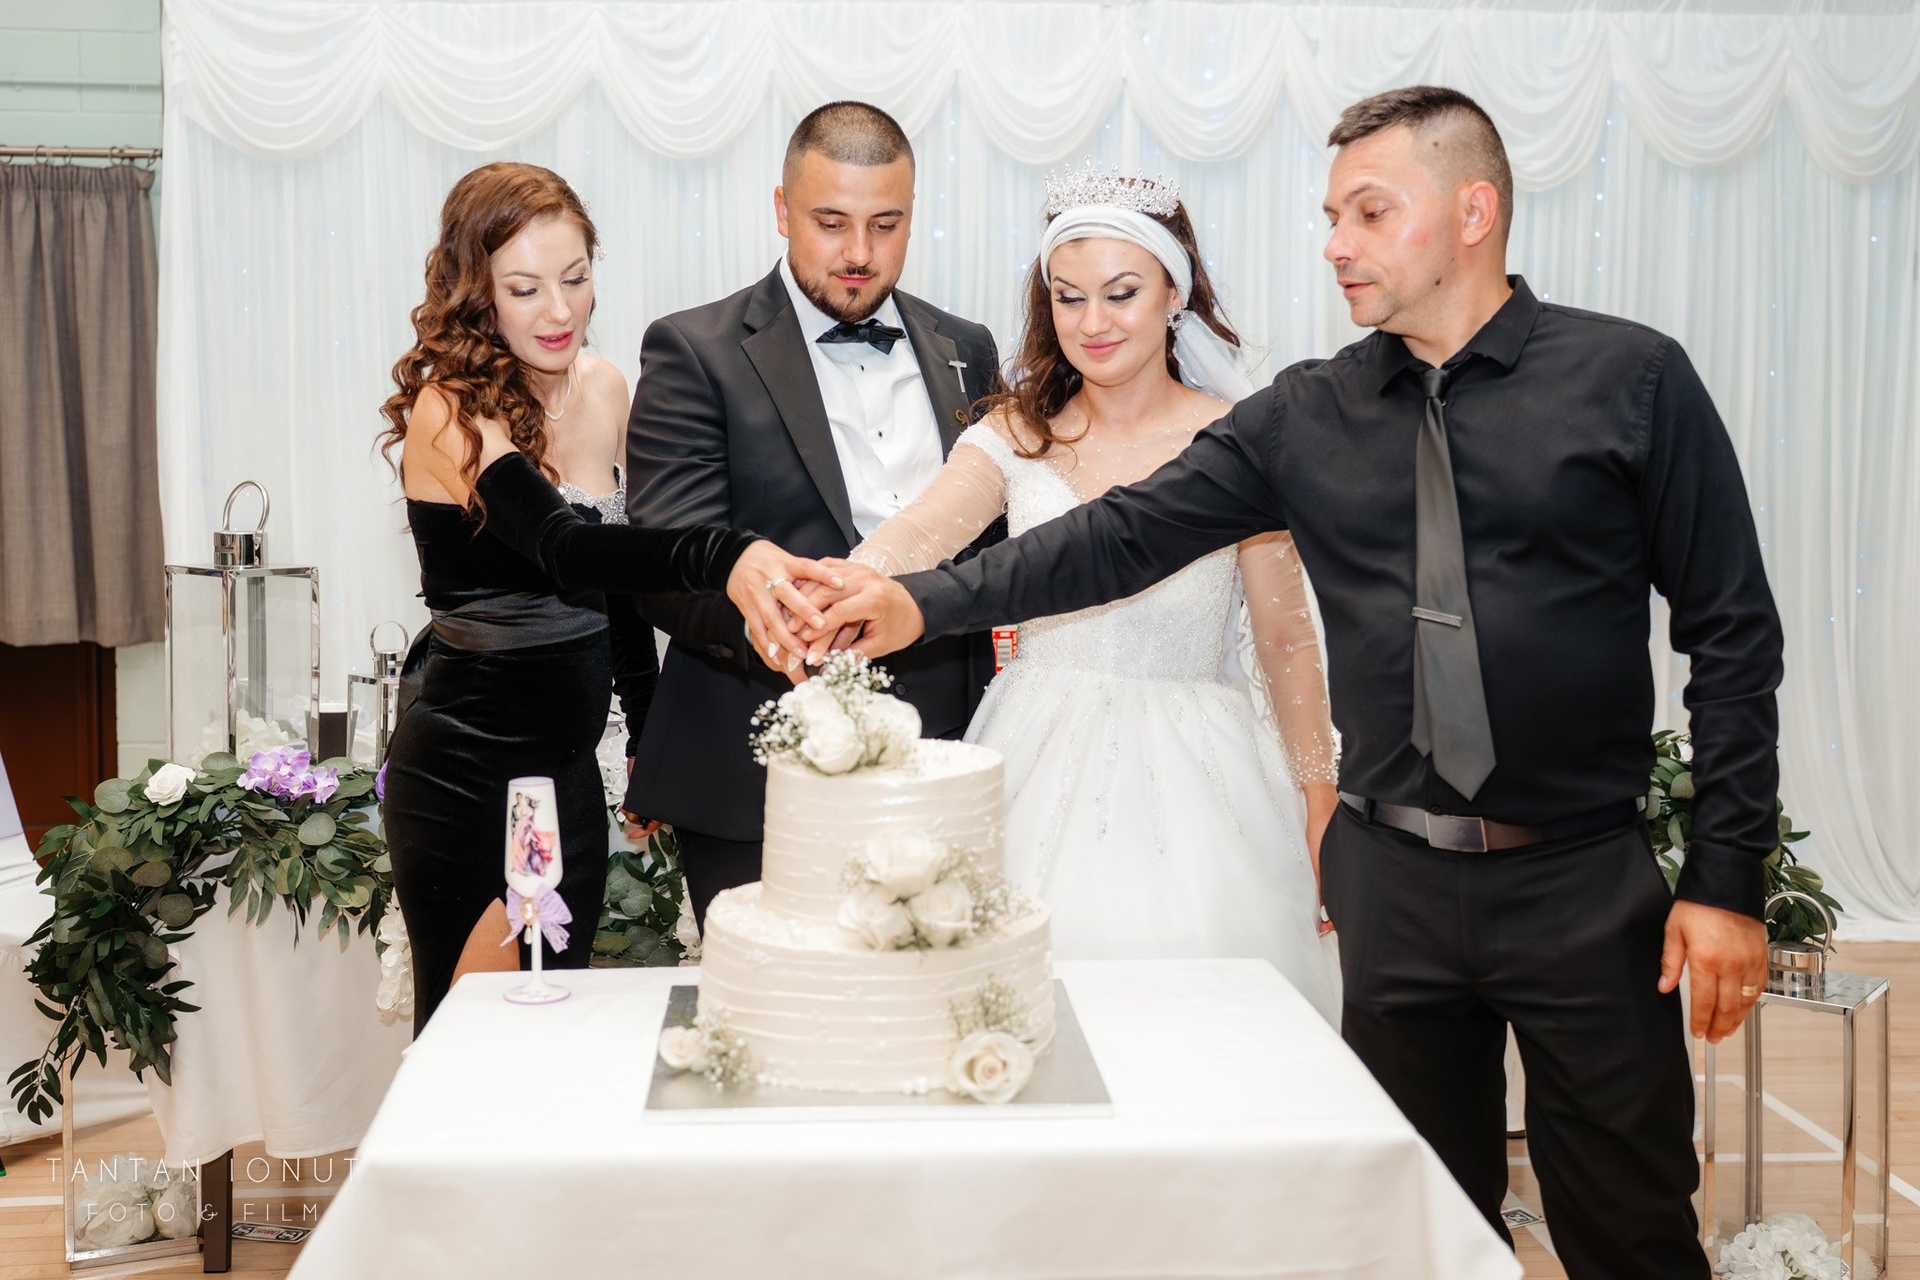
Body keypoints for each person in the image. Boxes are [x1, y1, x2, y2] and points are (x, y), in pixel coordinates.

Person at [801, 88, 1780, 1279]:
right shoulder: (1307, 412)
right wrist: (921, 601)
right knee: (1409, 1229)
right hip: (1394, 885)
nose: (1336, 244)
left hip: (1579, 879)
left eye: (1369, 212)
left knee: (1631, 1227)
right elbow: (1117, 536)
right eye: (1330, 217)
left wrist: (1727, 876)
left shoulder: (1632, 379)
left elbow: (1732, 632)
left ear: (1472, 212)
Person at [839, 169, 1339, 1019]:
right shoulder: (1014, 433)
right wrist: (832, 587)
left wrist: (1319, 801)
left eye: (1121, 294)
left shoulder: (1236, 442)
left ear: (1174, 292)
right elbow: (915, 536)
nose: (1093, 323)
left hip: (1201, 774)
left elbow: (1286, 641)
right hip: (1033, 747)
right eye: (1069, 298)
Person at [378, 162, 832, 1030]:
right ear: (477, 294)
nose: (559, 311)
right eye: (524, 289)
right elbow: (570, 549)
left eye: (576, 279)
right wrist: (725, 552)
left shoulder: (606, 386)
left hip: (567, 771)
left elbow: (617, 593)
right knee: (476, 1033)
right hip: (468, 768)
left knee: (552, 1019)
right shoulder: (450, 411)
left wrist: (647, 738)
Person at [621, 102, 1003, 927]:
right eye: (831, 223)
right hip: (757, 759)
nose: (859, 253)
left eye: (886, 225)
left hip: (945, 753)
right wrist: (795, 627)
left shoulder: (967, 347)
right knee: (780, 995)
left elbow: (993, 540)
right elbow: (666, 561)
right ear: (782, 209)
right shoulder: (694, 349)